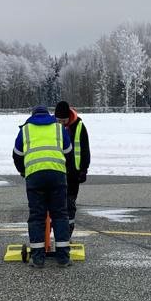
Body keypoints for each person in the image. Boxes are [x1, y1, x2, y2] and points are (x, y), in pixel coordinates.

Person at [12, 105, 73, 268]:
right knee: (60, 215)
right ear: (49, 115)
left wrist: (24, 172)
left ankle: (38, 258)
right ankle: (63, 258)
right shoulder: (59, 129)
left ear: (32, 116)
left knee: (37, 217)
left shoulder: (25, 130)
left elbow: (17, 155)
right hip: (57, 176)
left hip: (35, 177)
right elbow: (69, 152)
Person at [54, 99, 90, 236]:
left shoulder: (79, 126)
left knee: (70, 203)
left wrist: (83, 169)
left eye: (64, 121)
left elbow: (85, 149)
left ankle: (67, 234)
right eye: (59, 121)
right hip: (57, 170)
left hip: (73, 172)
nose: (61, 124)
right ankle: (54, 232)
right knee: (56, 204)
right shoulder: (52, 125)